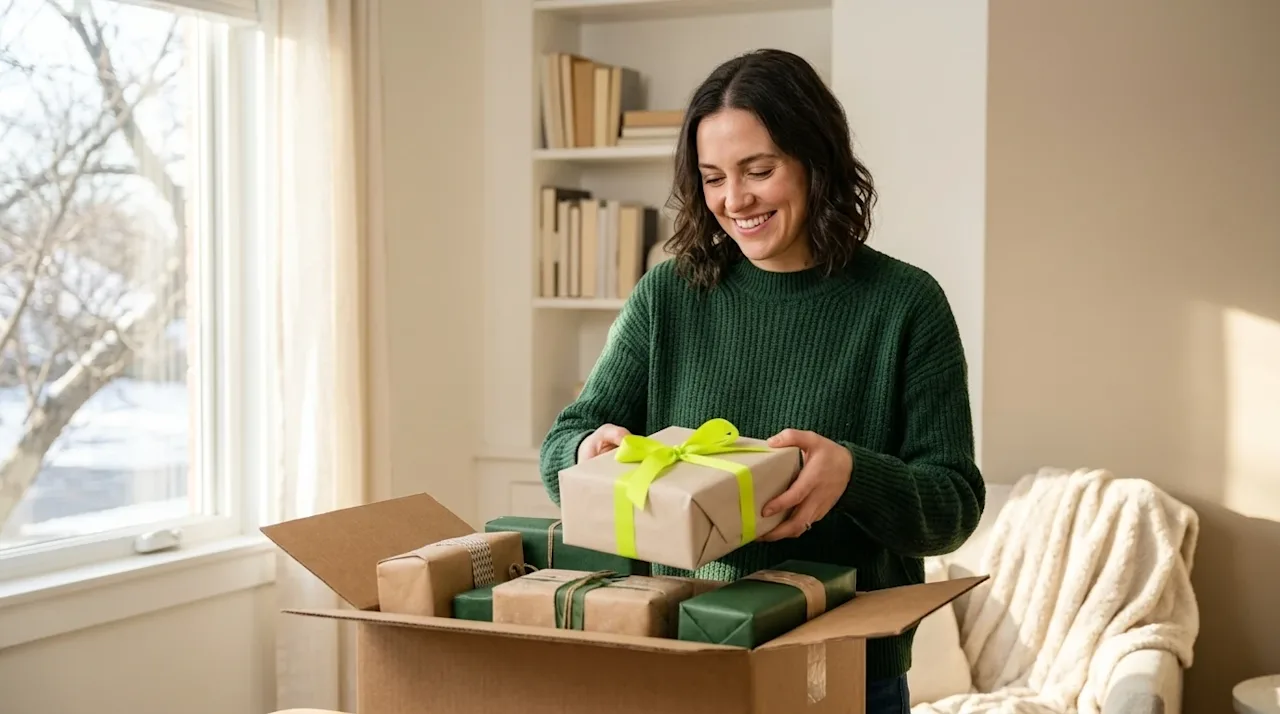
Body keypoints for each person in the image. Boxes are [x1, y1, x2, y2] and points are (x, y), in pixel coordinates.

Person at [538, 48, 984, 714]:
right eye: (713, 176)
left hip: (846, 672)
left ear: (816, 161)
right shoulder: (670, 295)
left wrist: (852, 474)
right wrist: (587, 452)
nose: (733, 199)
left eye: (759, 170)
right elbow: (560, 446)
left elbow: (952, 507)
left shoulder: (905, 304)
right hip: (689, 660)